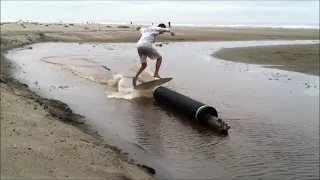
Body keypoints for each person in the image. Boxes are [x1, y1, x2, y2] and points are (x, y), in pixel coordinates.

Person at [133, 23, 175, 87]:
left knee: (144, 65)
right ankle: (156, 74)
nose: (161, 33)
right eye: (161, 32)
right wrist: (171, 32)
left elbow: (140, 29)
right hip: (145, 45)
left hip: (139, 45)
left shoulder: (146, 29)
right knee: (159, 58)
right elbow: (166, 29)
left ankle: (135, 77)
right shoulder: (157, 28)